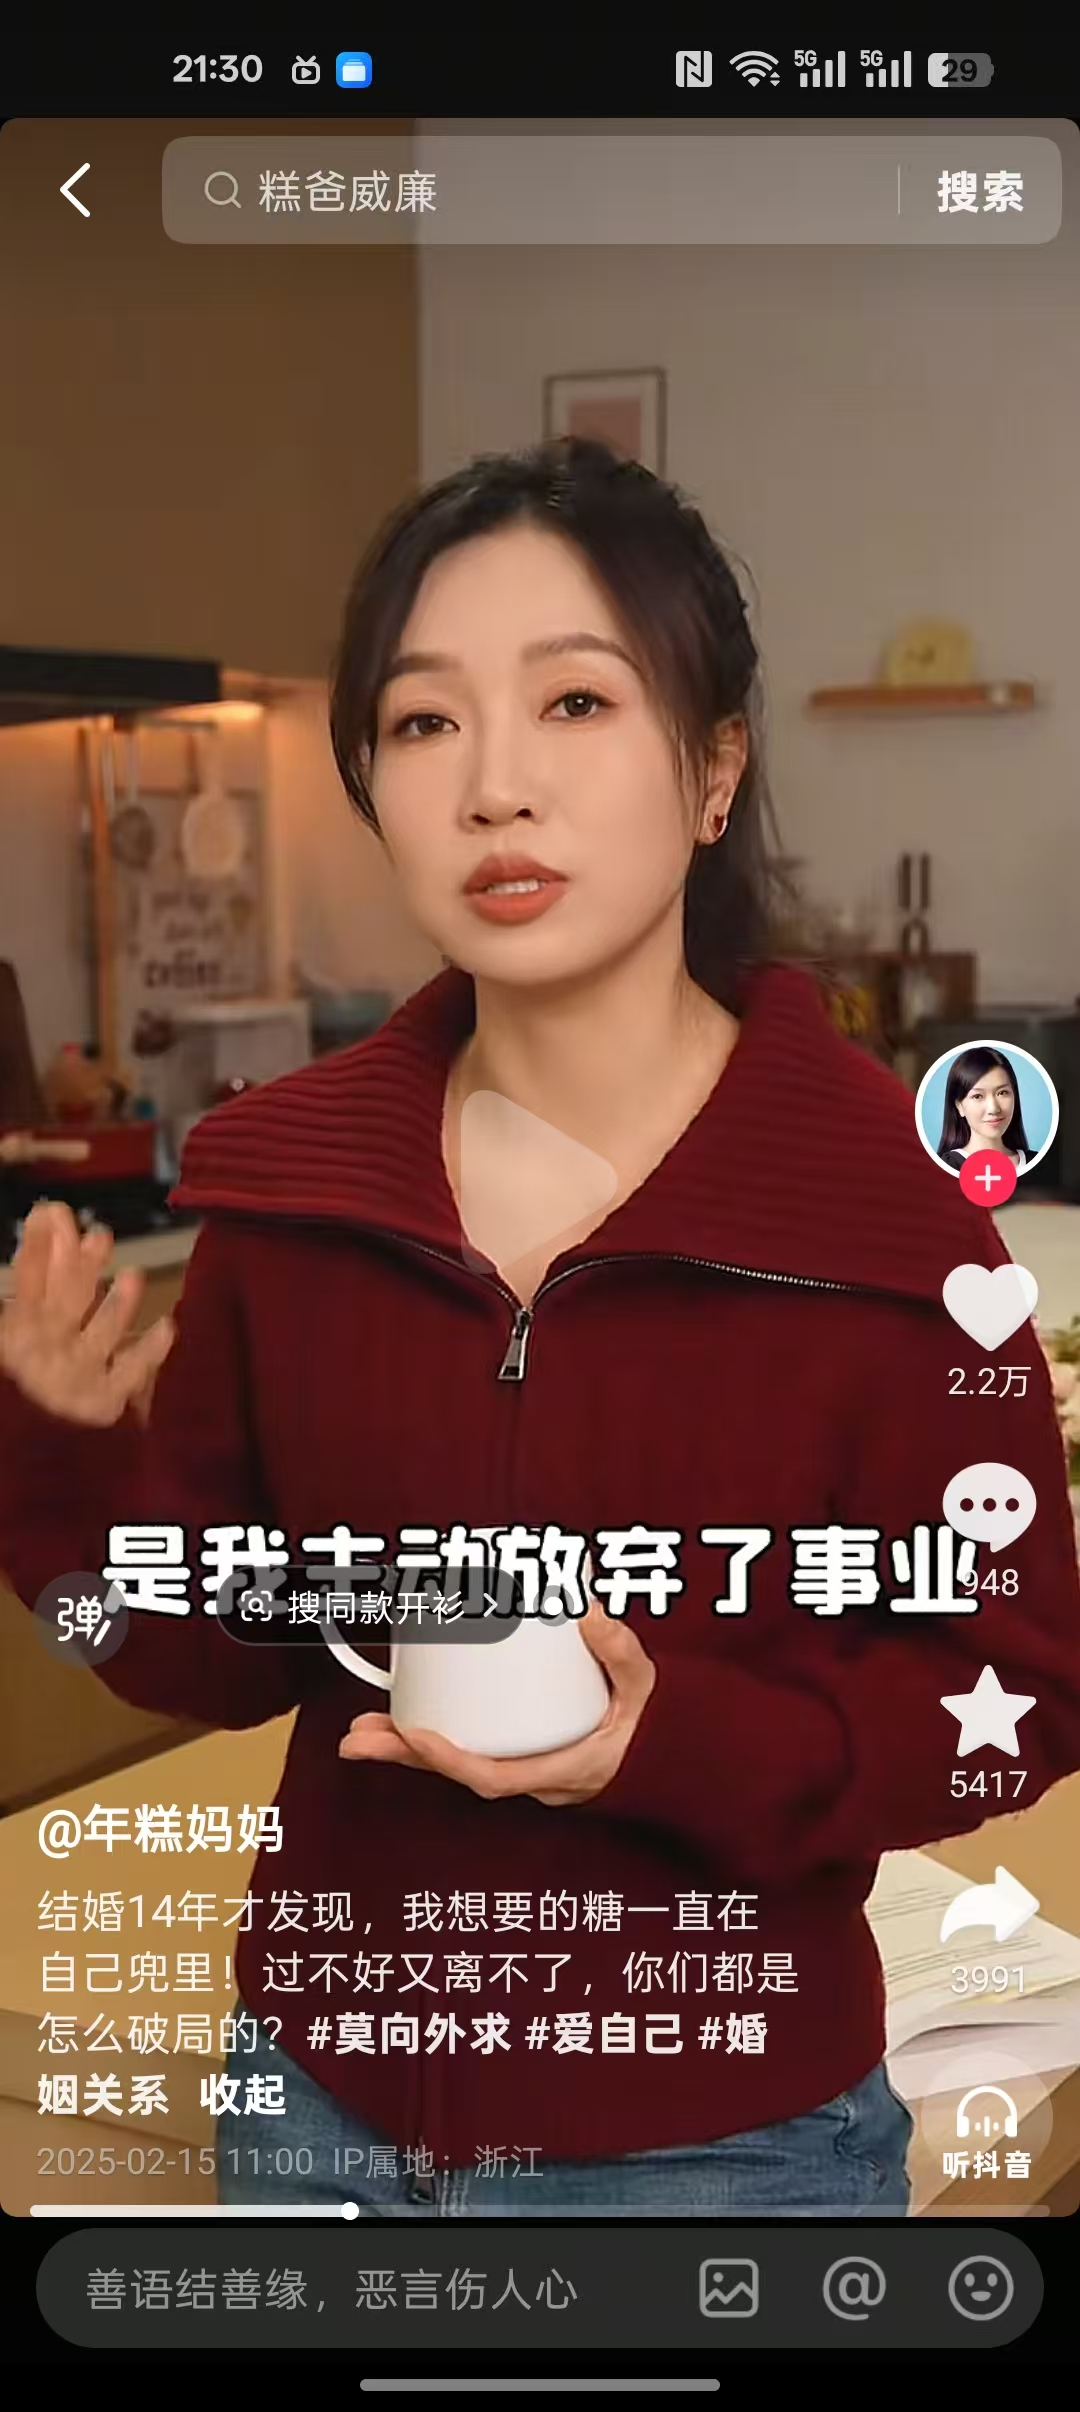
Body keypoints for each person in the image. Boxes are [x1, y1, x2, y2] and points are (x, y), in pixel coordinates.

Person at [2, 439, 1080, 2220]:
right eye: (425, 723)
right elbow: (202, 1650)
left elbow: (1018, 1704)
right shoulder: (289, 1187)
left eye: (577, 701)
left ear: (714, 768)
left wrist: (665, 1744)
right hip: (317, 2106)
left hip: (722, 2151)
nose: (496, 785)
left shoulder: (892, 1231)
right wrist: (60, 1462)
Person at [936, 1045, 1035, 1173]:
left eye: (1002, 1093)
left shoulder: (1039, 1162)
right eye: (978, 1096)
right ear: (959, 1106)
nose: (993, 1109)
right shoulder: (946, 1167)